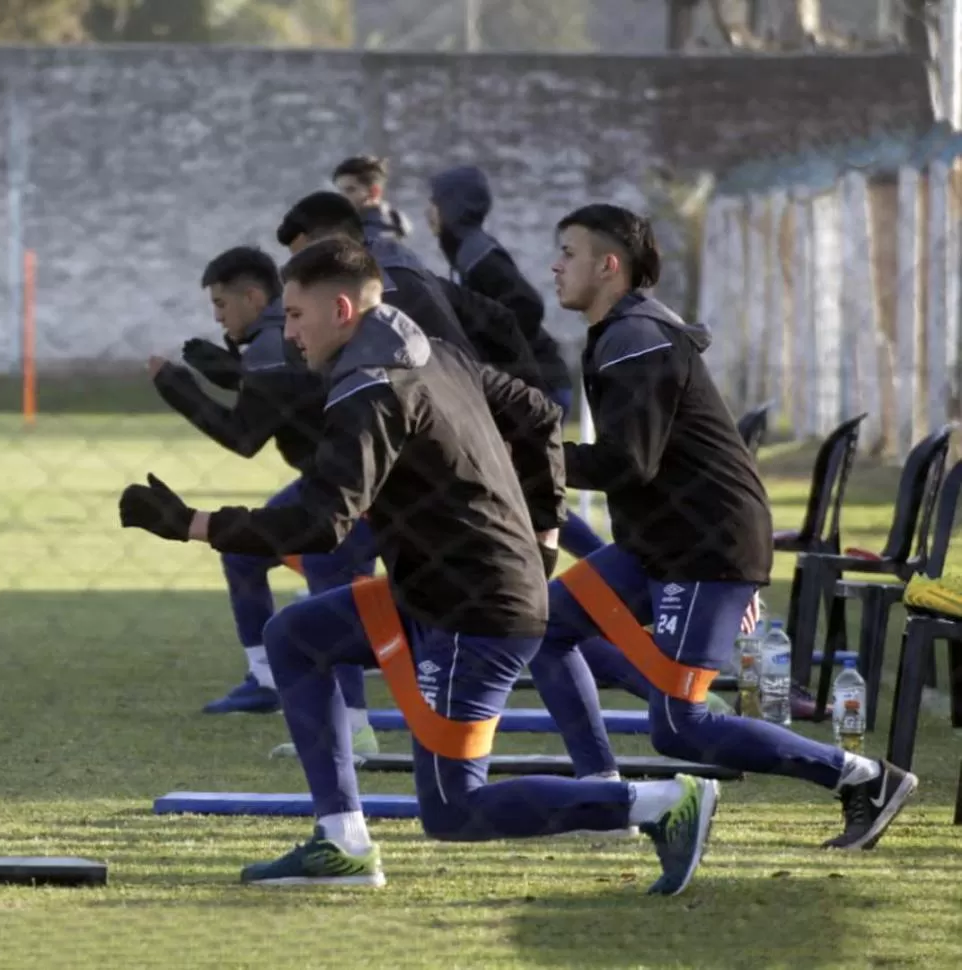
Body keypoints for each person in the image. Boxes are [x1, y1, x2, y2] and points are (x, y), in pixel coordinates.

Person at [120, 236, 720, 896]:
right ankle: (342, 842)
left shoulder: (373, 386)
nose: (285, 333)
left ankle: (662, 802)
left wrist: (193, 525)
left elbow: (324, 522)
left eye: (294, 316)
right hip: (439, 588)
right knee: (295, 637)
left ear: (342, 309)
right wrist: (544, 530)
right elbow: (536, 412)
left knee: (454, 810)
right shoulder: (430, 352)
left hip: (476, 611)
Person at [530, 203, 918, 851]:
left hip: (704, 548)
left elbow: (628, 462)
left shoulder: (637, 338)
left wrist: (526, 457)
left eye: (567, 252)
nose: (555, 265)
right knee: (545, 627)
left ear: (608, 265)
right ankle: (603, 793)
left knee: (679, 728)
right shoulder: (619, 332)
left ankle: (865, 778)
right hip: (659, 544)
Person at [147, 246, 378, 755]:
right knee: (244, 555)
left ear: (254, 296)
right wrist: (231, 369)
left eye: (221, 305)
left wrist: (178, 386)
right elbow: (290, 397)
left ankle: (356, 729)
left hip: (353, 488)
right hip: (333, 478)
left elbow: (243, 436)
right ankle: (268, 680)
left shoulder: (273, 344)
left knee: (331, 596)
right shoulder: (274, 339)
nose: (217, 316)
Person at [427, 164, 604, 560]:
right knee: (526, 490)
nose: (429, 212)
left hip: (537, 385)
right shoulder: (465, 251)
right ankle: (596, 562)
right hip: (532, 384)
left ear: (451, 207)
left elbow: (525, 304)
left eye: (434, 202)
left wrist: (495, 357)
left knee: (526, 489)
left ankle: (598, 563)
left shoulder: (476, 252)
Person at [278, 191, 544, 389]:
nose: (302, 271)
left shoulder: (379, 292)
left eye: (306, 258)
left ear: (337, 243)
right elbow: (500, 318)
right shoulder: (409, 268)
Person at [333, 155, 412, 241]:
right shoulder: (352, 229)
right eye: (340, 191)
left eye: (350, 190)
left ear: (374, 191)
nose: (342, 197)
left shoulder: (378, 237)